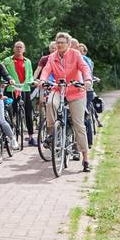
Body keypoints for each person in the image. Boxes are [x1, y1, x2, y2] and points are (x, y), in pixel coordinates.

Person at [39, 32, 93, 172]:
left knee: (78, 124)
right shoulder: (52, 57)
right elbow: (46, 70)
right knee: (50, 102)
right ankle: (52, 132)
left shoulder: (75, 54)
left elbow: (84, 68)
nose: (60, 45)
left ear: (69, 44)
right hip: (59, 88)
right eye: (58, 42)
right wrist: (43, 80)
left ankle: (85, 159)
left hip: (76, 90)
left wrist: (87, 80)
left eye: (62, 42)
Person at [2, 41, 36, 146]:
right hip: (11, 89)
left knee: (28, 113)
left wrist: (31, 82)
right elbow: (3, 73)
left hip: (25, 89)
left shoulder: (28, 61)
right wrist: (6, 82)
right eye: (17, 47)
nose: (19, 49)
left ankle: (31, 137)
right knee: (10, 113)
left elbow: (30, 75)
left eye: (21, 47)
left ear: (24, 49)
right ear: (13, 49)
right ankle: (9, 137)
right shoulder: (7, 61)